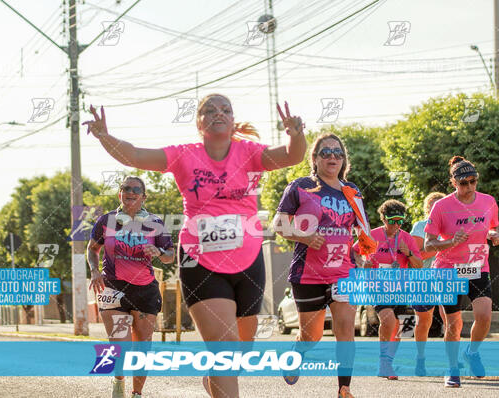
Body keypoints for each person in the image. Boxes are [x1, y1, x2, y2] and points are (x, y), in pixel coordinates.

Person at [84, 94, 306, 398]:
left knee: (242, 348)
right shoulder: (184, 155)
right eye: (209, 110)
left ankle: (213, 378)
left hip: (248, 260)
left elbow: (292, 156)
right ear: (198, 122)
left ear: (232, 120)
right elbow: (135, 155)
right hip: (199, 262)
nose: (218, 113)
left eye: (226, 109)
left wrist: (296, 133)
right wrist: (104, 136)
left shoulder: (249, 153)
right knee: (224, 349)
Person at [273, 133, 365, 398]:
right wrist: (304, 236)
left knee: (346, 328)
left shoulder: (352, 191)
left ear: (343, 159)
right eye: (326, 152)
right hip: (308, 274)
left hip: (344, 272)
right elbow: (278, 225)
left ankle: (344, 388)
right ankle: (296, 354)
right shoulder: (300, 186)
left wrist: (363, 253)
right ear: (315, 158)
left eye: (338, 153)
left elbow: (361, 231)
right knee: (311, 336)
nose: (332, 157)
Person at [87, 176, 175, 398]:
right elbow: (92, 249)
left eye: (136, 189)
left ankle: (137, 393)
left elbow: (170, 256)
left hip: (145, 290)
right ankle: (118, 381)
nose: (130, 191)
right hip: (113, 289)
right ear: (120, 194)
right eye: (125, 188)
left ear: (144, 196)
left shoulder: (155, 223)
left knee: (143, 348)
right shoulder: (106, 221)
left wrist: (160, 253)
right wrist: (94, 270)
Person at [424, 156, 499, 387]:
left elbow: (493, 226)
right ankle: (452, 368)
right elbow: (428, 245)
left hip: (477, 266)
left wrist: (494, 234)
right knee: (454, 324)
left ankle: (472, 352)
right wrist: (451, 242)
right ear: (453, 183)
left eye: (473, 181)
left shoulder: (488, 202)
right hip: (448, 269)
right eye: (463, 182)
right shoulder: (442, 206)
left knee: (485, 316)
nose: (469, 187)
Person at [353, 200, 422, 380]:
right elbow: (354, 252)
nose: (397, 225)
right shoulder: (373, 235)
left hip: (400, 288)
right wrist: (362, 264)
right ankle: (384, 361)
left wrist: (408, 253)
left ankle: (387, 363)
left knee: (400, 327)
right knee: (388, 320)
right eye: (392, 221)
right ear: (383, 219)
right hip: (377, 286)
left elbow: (419, 265)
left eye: (400, 221)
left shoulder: (406, 238)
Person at [409, 192, 447, 376]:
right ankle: (420, 358)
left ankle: (452, 361)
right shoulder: (421, 226)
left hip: (446, 276)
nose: (437, 207)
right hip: (423, 279)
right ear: (427, 208)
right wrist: (444, 247)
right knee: (424, 320)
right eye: (433, 205)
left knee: (451, 319)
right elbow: (416, 255)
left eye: (440, 204)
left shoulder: (451, 226)